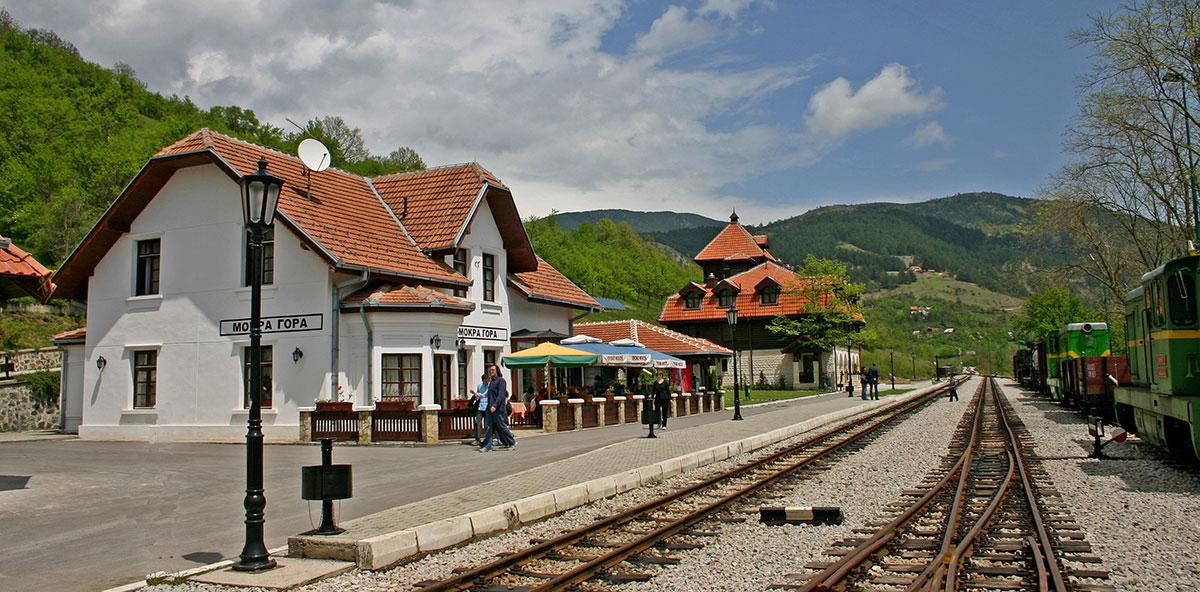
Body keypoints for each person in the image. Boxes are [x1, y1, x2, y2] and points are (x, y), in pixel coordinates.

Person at [480, 364, 516, 452]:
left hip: (498, 408)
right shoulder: (491, 381)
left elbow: (501, 395)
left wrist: (495, 406)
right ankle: (487, 446)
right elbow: (489, 394)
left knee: (501, 426)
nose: (491, 372)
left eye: (492, 370)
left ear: (497, 371)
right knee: (489, 426)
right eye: (490, 370)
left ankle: (511, 441)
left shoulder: (501, 381)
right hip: (489, 407)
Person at [469, 373, 490, 446]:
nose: (487, 382)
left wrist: (475, 393)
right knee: (477, 423)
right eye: (486, 380)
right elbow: (478, 396)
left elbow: (484, 395)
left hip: (487, 406)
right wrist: (475, 395)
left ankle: (488, 439)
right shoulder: (480, 386)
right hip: (480, 407)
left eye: (488, 380)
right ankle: (477, 439)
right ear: (483, 380)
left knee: (488, 424)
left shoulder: (490, 386)